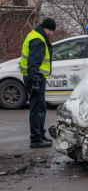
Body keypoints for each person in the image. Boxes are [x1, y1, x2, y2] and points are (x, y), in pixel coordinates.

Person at [19, 18, 56, 148]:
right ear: (44, 27)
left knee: (41, 107)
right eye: (50, 30)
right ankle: (35, 139)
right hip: (35, 79)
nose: (51, 33)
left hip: (35, 78)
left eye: (52, 31)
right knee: (37, 109)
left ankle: (40, 135)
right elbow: (33, 64)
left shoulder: (35, 35)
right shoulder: (38, 41)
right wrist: (35, 82)